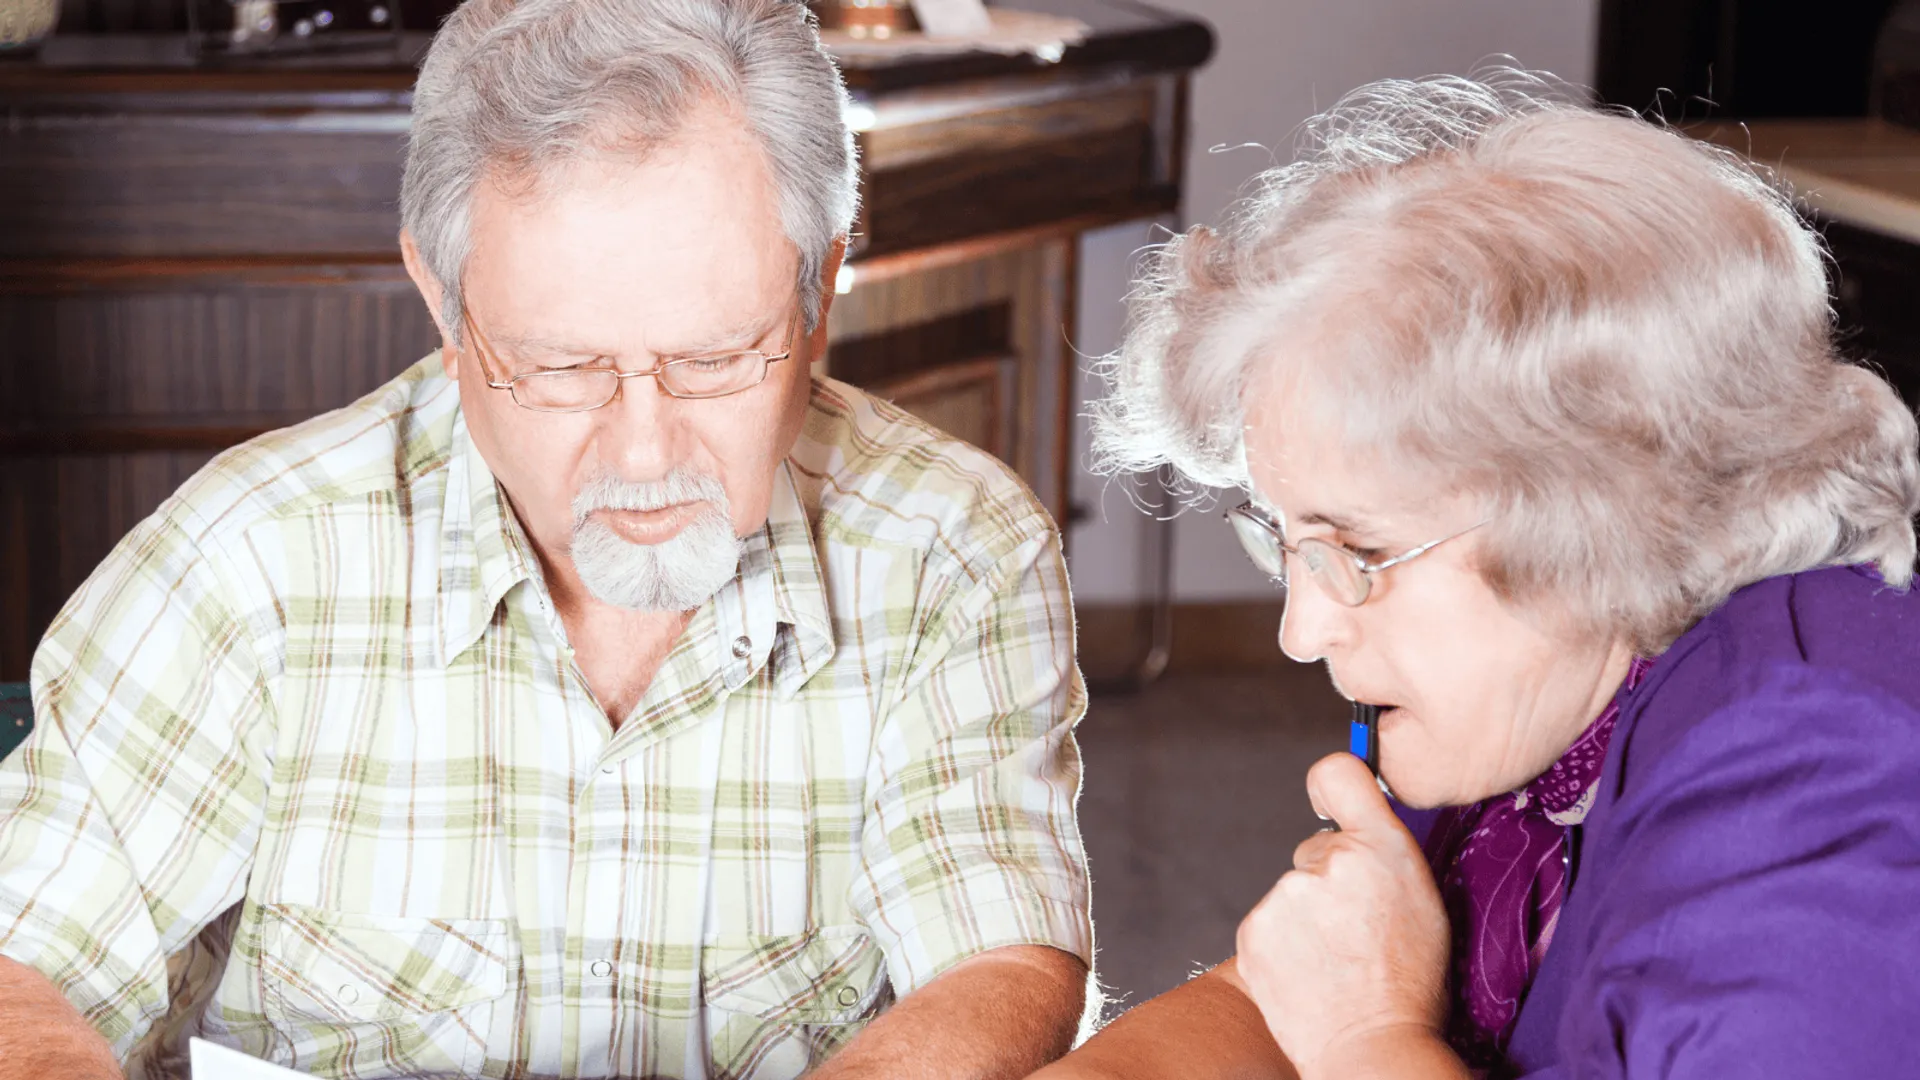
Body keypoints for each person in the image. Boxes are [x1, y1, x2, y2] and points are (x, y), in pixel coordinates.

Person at [0, 1, 1094, 1077]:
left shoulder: (952, 551)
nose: (644, 452)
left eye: (715, 361)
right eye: (564, 369)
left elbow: (999, 962)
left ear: (818, 294)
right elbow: (23, 968)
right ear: (443, 300)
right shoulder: (249, 560)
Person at [1038, 73, 1920, 1080]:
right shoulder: (1531, 702)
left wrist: (1370, 1038)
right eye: (1284, 542)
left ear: (1597, 511)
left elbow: (1343, 1018)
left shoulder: (1818, 775)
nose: (1300, 631)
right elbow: (1277, 997)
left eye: (1356, 552)